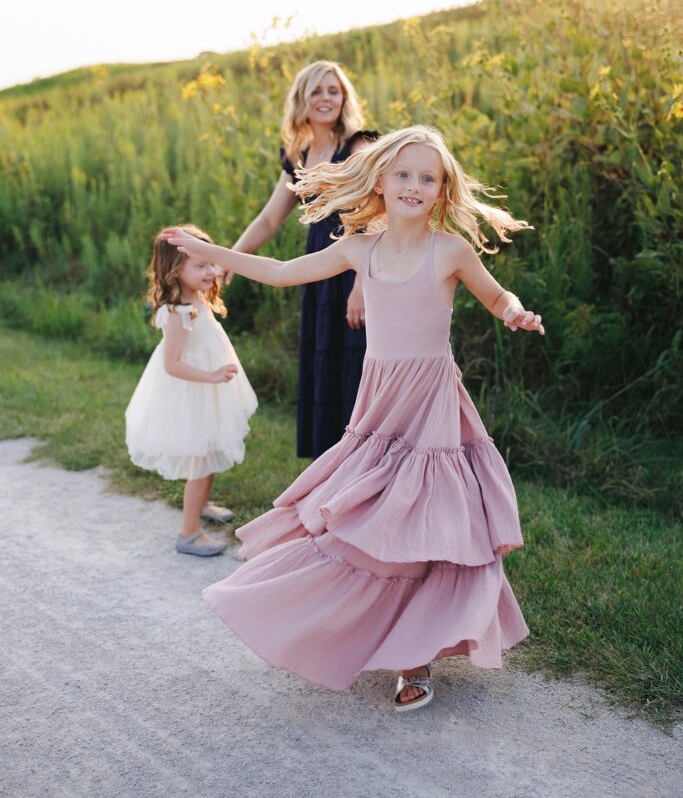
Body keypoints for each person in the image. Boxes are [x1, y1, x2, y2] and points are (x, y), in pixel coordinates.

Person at [162, 126, 544, 708]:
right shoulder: (359, 248)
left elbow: (497, 298)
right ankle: (344, 627)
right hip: (379, 410)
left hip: (430, 406)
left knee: (425, 527)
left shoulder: (450, 251)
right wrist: (214, 254)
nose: (414, 186)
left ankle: (415, 664)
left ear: (441, 191)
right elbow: (284, 270)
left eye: (427, 178)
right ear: (381, 180)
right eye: (403, 175)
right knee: (369, 527)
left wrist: (515, 314)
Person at [227, 60, 377, 458]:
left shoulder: (359, 145)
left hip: (359, 269)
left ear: (344, 98)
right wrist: (231, 258)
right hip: (318, 271)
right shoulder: (300, 153)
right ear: (302, 100)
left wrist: (362, 285)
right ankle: (329, 470)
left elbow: (378, 215)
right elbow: (269, 218)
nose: (326, 98)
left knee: (358, 365)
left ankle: (366, 465)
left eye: (333, 90)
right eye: (317, 91)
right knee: (324, 361)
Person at [125, 225, 257, 557]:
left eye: (211, 263)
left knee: (209, 447)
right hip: (193, 390)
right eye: (201, 266)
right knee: (202, 455)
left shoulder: (196, 296)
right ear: (175, 271)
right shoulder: (177, 313)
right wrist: (211, 375)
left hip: (207, 389)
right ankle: (188, 533)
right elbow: (172, 364)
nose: (211, 271)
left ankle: (202, 505)